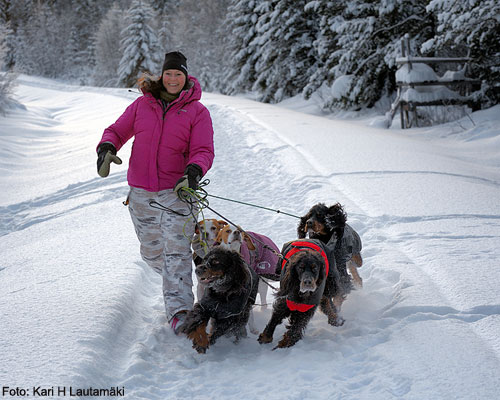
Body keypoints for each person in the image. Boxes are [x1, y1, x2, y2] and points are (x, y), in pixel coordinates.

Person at [96, 51, 215, 335]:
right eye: (169, 73)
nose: (173, 79)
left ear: (186, 78)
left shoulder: (197, 112)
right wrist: (107, 147)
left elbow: (203, 150)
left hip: (177, 192)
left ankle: (180, 312)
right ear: (162, 75)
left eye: (179, 74)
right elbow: (117, 130)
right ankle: (188, 276)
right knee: (152, 253)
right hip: (140, 193)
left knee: (176, 253)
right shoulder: (141, 105)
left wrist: (194, 172)